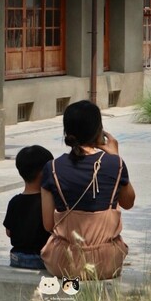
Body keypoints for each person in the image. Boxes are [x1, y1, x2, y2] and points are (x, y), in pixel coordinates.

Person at [41, 100, 136, 280]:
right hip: (107, 263)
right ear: (99, 130)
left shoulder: (52, 168)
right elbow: (128, 202)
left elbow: (47, 224)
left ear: (66, 132)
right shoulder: (115, 163)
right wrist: (115, 156)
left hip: (64, 263)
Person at [3, 145, 54, 269]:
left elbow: (9, 232)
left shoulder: (14, 201)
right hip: (41, 257)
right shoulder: (49, 202)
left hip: (17, 256)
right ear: (43, 172)